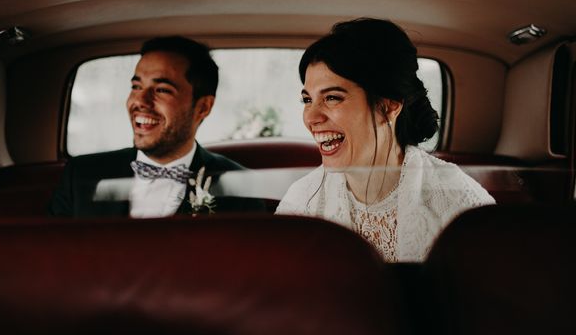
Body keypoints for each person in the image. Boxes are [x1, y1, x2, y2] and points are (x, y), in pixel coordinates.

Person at [276, 18, 495, 262]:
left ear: (389, 106)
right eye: (307, 100)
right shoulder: (301, 202)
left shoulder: (456, 199)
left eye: (332, 98)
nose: (311, 117)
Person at [49, 36, 264, 217]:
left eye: (161, 89)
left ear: (203, 107)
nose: (140, 101)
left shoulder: (241, 189)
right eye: (136, 86)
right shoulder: (80, 174)